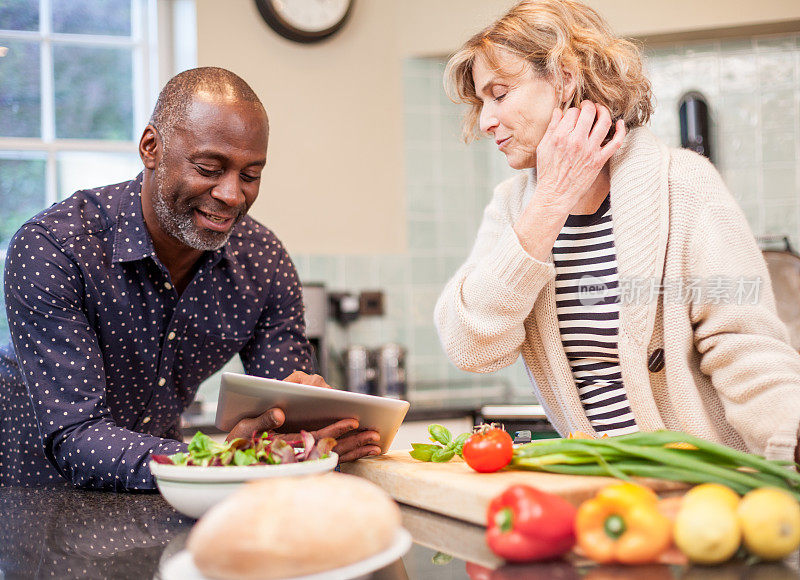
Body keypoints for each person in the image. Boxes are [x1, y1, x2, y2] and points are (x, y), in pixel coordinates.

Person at [434, 0, 800, 462]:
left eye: (500, 93)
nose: (486, 121)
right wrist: (550, 200)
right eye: (481, 102)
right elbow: (471, 347)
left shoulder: (682, 184)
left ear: (565, 78)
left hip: (703, 488)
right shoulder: (512, 207)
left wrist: (789, 444)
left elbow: (746, 348)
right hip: (606, 490)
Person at [1, 67, 380, 491]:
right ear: (151, 148)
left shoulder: (264, 262)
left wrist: (310, 428)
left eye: (250, 175)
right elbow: (76, 435)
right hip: (33, 502)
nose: (232, 195)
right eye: (208, 167)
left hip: (165, 502)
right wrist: (218, 462)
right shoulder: (55, 247)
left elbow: (283, 415)